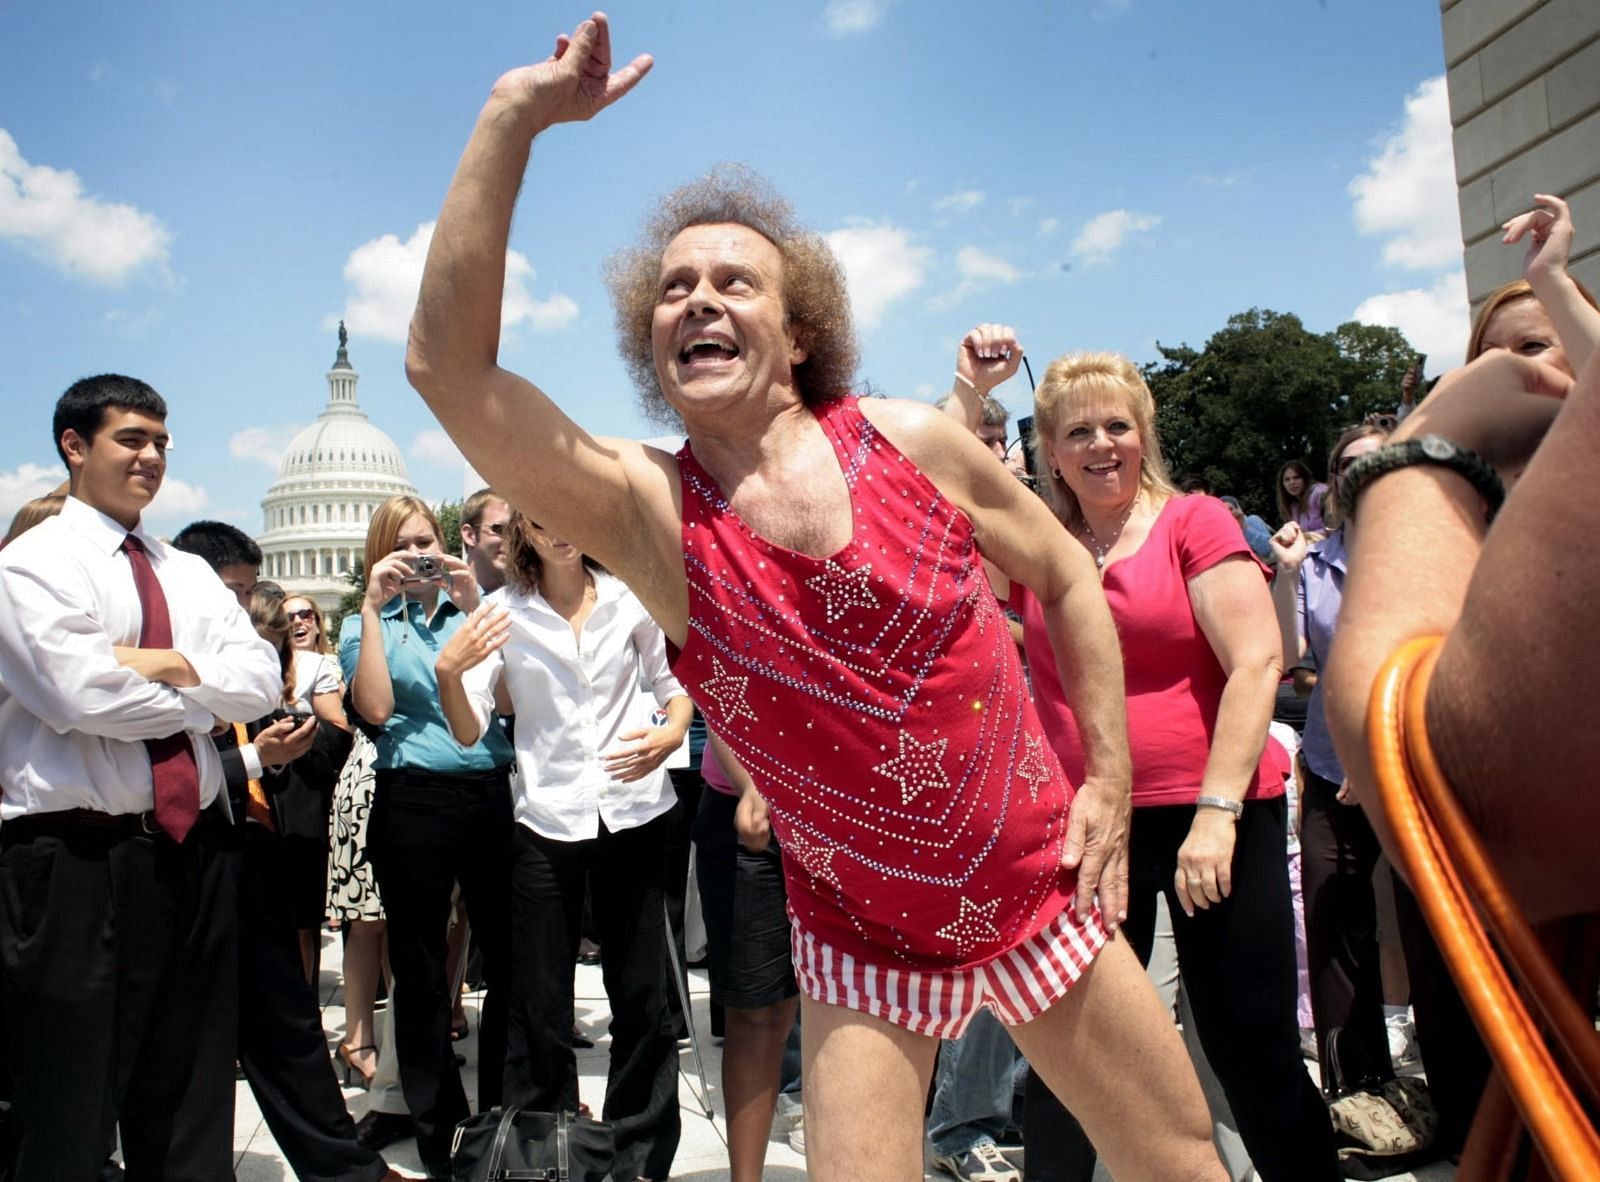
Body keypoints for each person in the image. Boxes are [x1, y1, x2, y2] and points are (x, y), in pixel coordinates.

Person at [404, 16, 1225, 1181]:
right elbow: (451, 370)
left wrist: (1107, 773)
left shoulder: (915, 442)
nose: (698, 298)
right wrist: (511, 116)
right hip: (862, 935)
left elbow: (1059, 577)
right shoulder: (652, 518)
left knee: (1177, 1157)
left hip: (1035, 882)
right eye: (674, 287)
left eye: (732, 280)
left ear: (796, 333)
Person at [947, 338, 1339, 1180]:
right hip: (1086, 828)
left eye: (1116, 426)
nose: (1099, 446)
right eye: (1077, 432)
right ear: (1048, 449)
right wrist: (966, 392)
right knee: (1068, 1066)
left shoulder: (1193, 521)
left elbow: (1257, 664)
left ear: (1145, 433)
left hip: (1217, 822)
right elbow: (933, 505)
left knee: (1252, 1056)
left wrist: (1217, 813)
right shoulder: (1039, 541)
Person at [0, 374, 281, 1181]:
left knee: (191, 1092)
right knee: (69, 1106)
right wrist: (200, 685)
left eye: (161, 441)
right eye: (132, 439)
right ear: (74, 446)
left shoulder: (187, 571)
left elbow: (260, 681)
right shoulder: (34, 564)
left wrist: (149, 666)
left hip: (190, 854)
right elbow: (77, 695)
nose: (152, 456)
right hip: (74, 862)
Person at [437, 511, 690, 1181]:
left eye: (569, 510)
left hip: (634, 811)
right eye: (542, 518)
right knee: (537, 999)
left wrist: (670, 735)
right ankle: (542, 1153)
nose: (562, 528)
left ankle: (639, 1152)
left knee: (642, 994)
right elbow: (468, 729)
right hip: (545, 819)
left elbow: (676, 685)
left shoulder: (629, 592)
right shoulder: (501, 611)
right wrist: (447, 672)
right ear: (523, 528)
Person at [339, 494, 515, 1179]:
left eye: (427, 542)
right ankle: (435, 1121)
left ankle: (502, 1109)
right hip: (412, 797)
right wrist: (373, 608)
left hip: (489, 791)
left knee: (506, 956)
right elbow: (377, 708)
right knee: (418, 967)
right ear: (381, 551)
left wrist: (472, 600)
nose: (418, 555)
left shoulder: (471, 612)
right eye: (404, 544)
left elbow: (507, 695)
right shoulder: (369, 624)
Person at [460, 487, 512, 594]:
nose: (512, 540)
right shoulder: (438, 605)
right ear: (470, 535)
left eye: (518, 533)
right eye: (500, 529)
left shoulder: (537, 605)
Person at [1273, 460, 1326, 533]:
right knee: (1253, 520)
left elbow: (1335, 528)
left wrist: (1307, 536)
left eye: (1296, 477)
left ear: (1305, 479)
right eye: (1287, 480)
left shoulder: (1319, 493)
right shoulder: (1293, 505)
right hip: (1305, 543)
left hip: (1328, 542)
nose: (1292, 483)